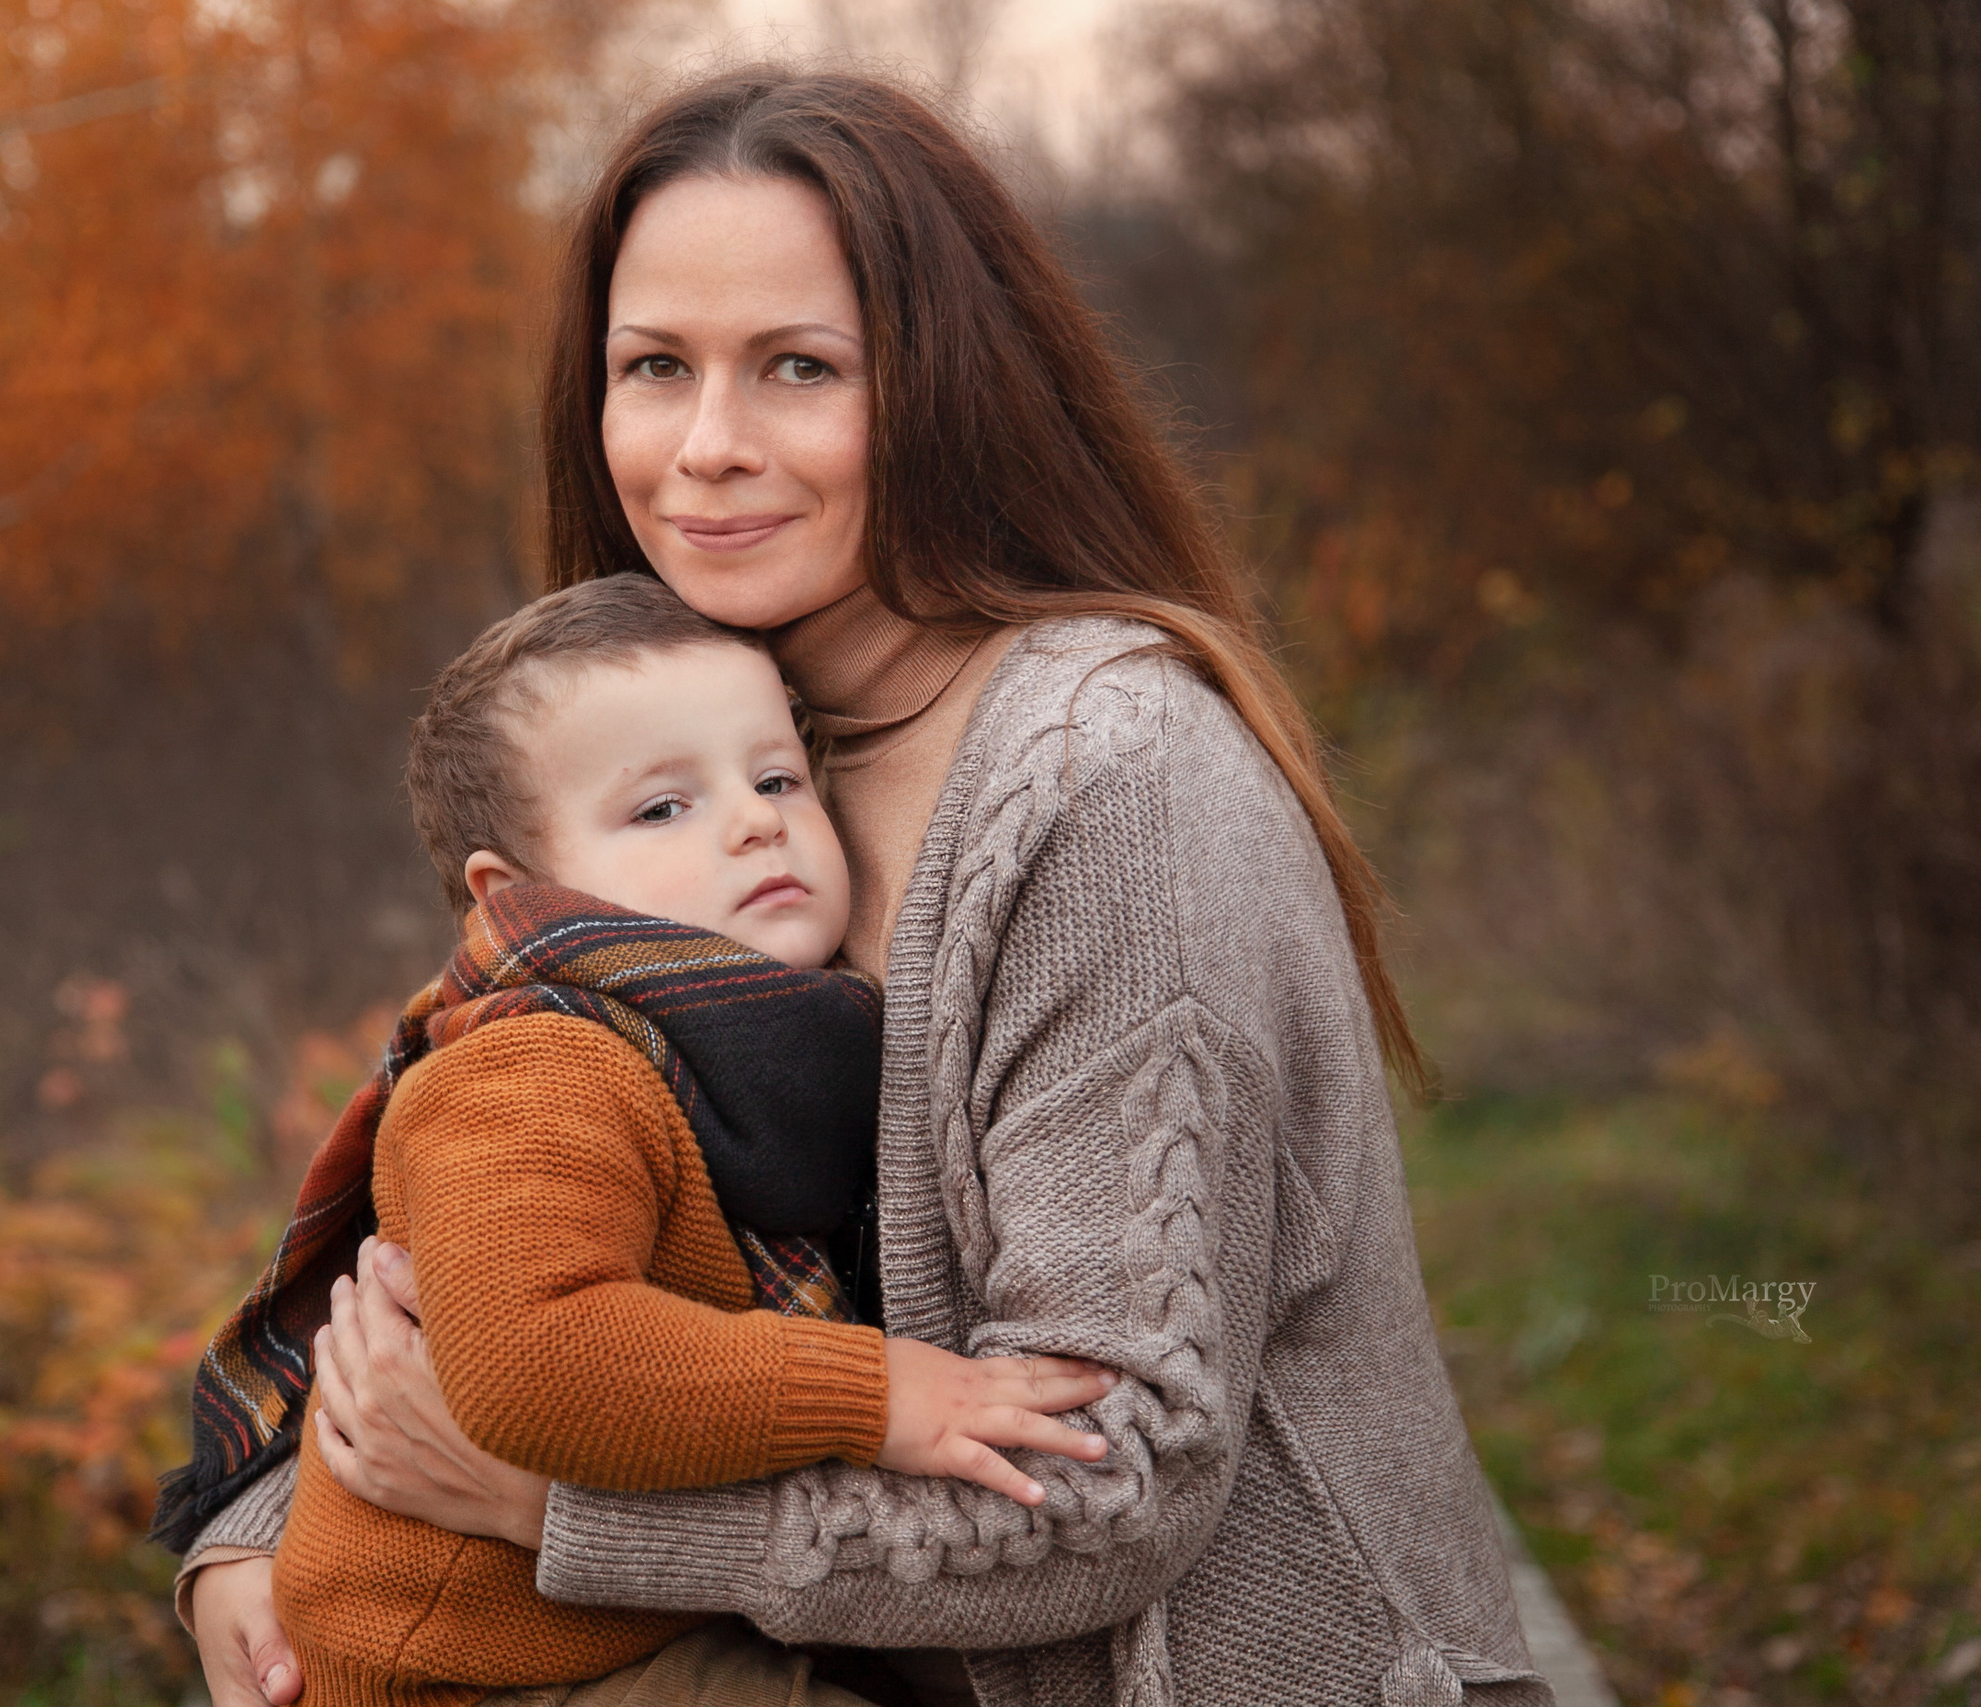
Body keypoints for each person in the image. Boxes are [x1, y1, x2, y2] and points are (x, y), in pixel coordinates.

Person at [187, 65, 1554, 1707]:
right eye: (654, 369)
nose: (706, 447)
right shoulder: (722, 756)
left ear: (939, 390)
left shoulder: (1108, 786)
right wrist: (260, 1528)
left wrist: (562, 1514)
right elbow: (508, 1177)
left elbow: (1113, 1473)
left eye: (798, 370)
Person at [169, 573, 1115, 1707]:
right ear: (518, 893)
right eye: (662, 807)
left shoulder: (767, 1054)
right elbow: (537, 1360)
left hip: (608, 1630)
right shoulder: (532, 1068)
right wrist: (879, 1395)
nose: (756, 818)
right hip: (482, 1670)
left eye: (775, 778)